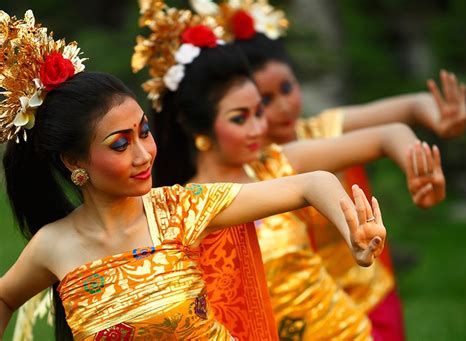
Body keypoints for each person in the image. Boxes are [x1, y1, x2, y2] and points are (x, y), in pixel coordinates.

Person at [0, 9, 386, 340]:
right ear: (73, 162)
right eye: (120, 144)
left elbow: (310, 183)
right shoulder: (53, 246)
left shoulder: (179, 209)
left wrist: (352, 230)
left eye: (144, 132)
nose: (143, 154)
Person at [131, 3, 445, 339]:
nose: (257, 128)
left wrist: (418, 167)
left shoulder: (274, 164)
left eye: (257, 113)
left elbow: (385, 136)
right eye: (240, 118)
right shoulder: (183, 208)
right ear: (200, 130)